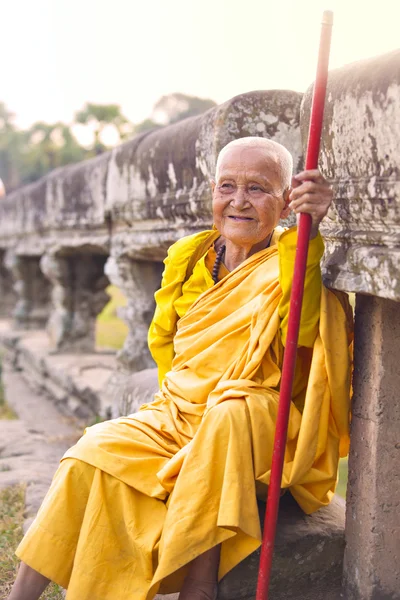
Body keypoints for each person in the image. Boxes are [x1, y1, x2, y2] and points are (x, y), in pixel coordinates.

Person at [9, 137, 352, 600]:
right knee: (91, 449)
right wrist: (185, 399)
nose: (239, 201)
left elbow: (301, 335)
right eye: (227, 186)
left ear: (287, 197)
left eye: (257, 188)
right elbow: (166, 343)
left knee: (230, 409)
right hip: (180, 411)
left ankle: (200, 582)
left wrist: (310, 234)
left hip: (256, 419)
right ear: (213, 191)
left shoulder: (294, 259)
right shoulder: (190, 255)